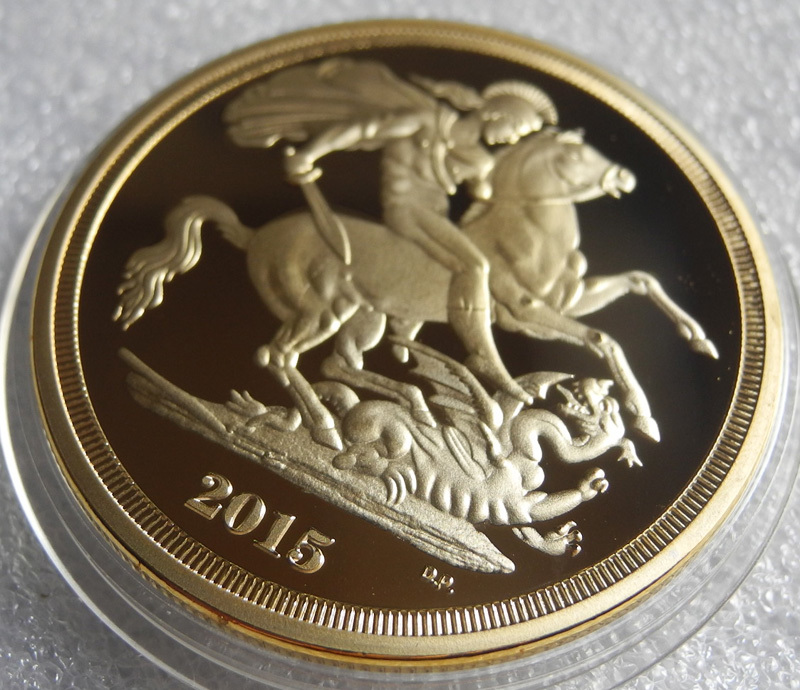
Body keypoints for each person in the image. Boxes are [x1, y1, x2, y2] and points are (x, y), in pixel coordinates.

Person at [225, 59, 558, 401]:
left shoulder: (480, 159)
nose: (514, 138)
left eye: (522, 136)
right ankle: (482, 354)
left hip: (435, 219)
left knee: (465, 263)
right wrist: (311, 153)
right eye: (517, 128)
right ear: (497, 114)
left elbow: (487, 196)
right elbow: (365, 129)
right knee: (474, 266)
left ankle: (408, 319)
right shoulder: (426, 120)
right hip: (407, 212)